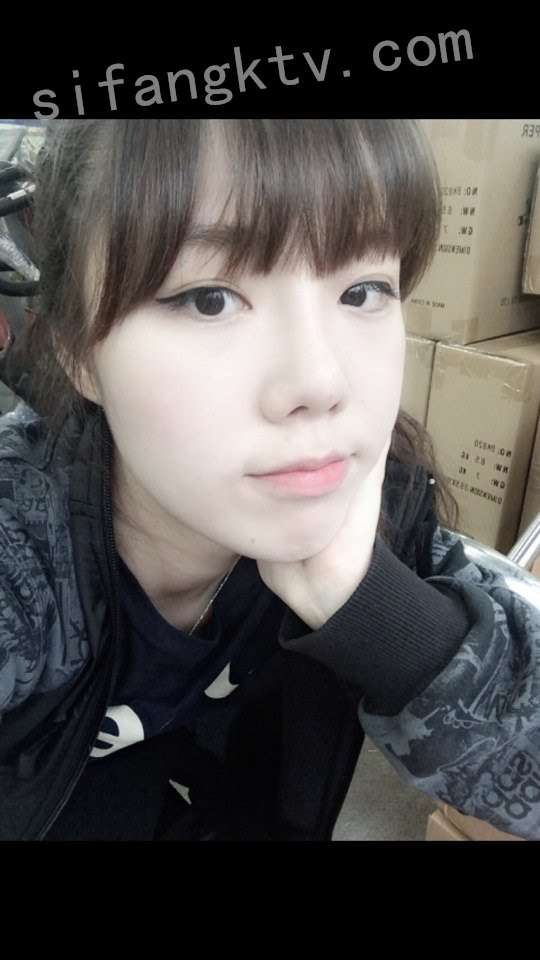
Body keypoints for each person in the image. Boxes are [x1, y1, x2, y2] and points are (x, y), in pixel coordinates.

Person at [1, 118, 539, 841]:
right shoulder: (21, 553)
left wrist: (378, 609)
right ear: (78, 353)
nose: (321, 381)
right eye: (210, 298)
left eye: (363, 291)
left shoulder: (382, 510)